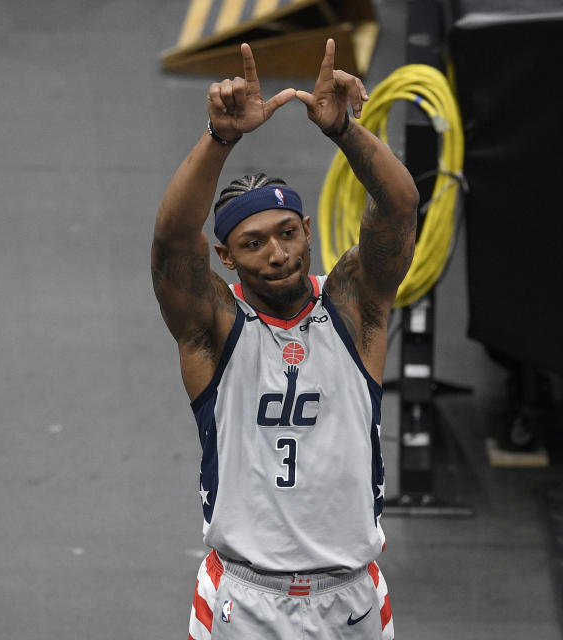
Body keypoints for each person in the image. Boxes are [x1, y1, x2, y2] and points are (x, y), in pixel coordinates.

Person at [152, 38, 419, 640]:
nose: (278, 253)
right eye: (253, 243)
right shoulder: (213, 328)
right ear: (225, 255)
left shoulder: (355, 308)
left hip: (348, 595)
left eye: (288, 232)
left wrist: (344, 130)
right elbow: (171, 242)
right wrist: (222, 137)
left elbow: (399, 209)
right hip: (245, 600)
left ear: (304, 232)